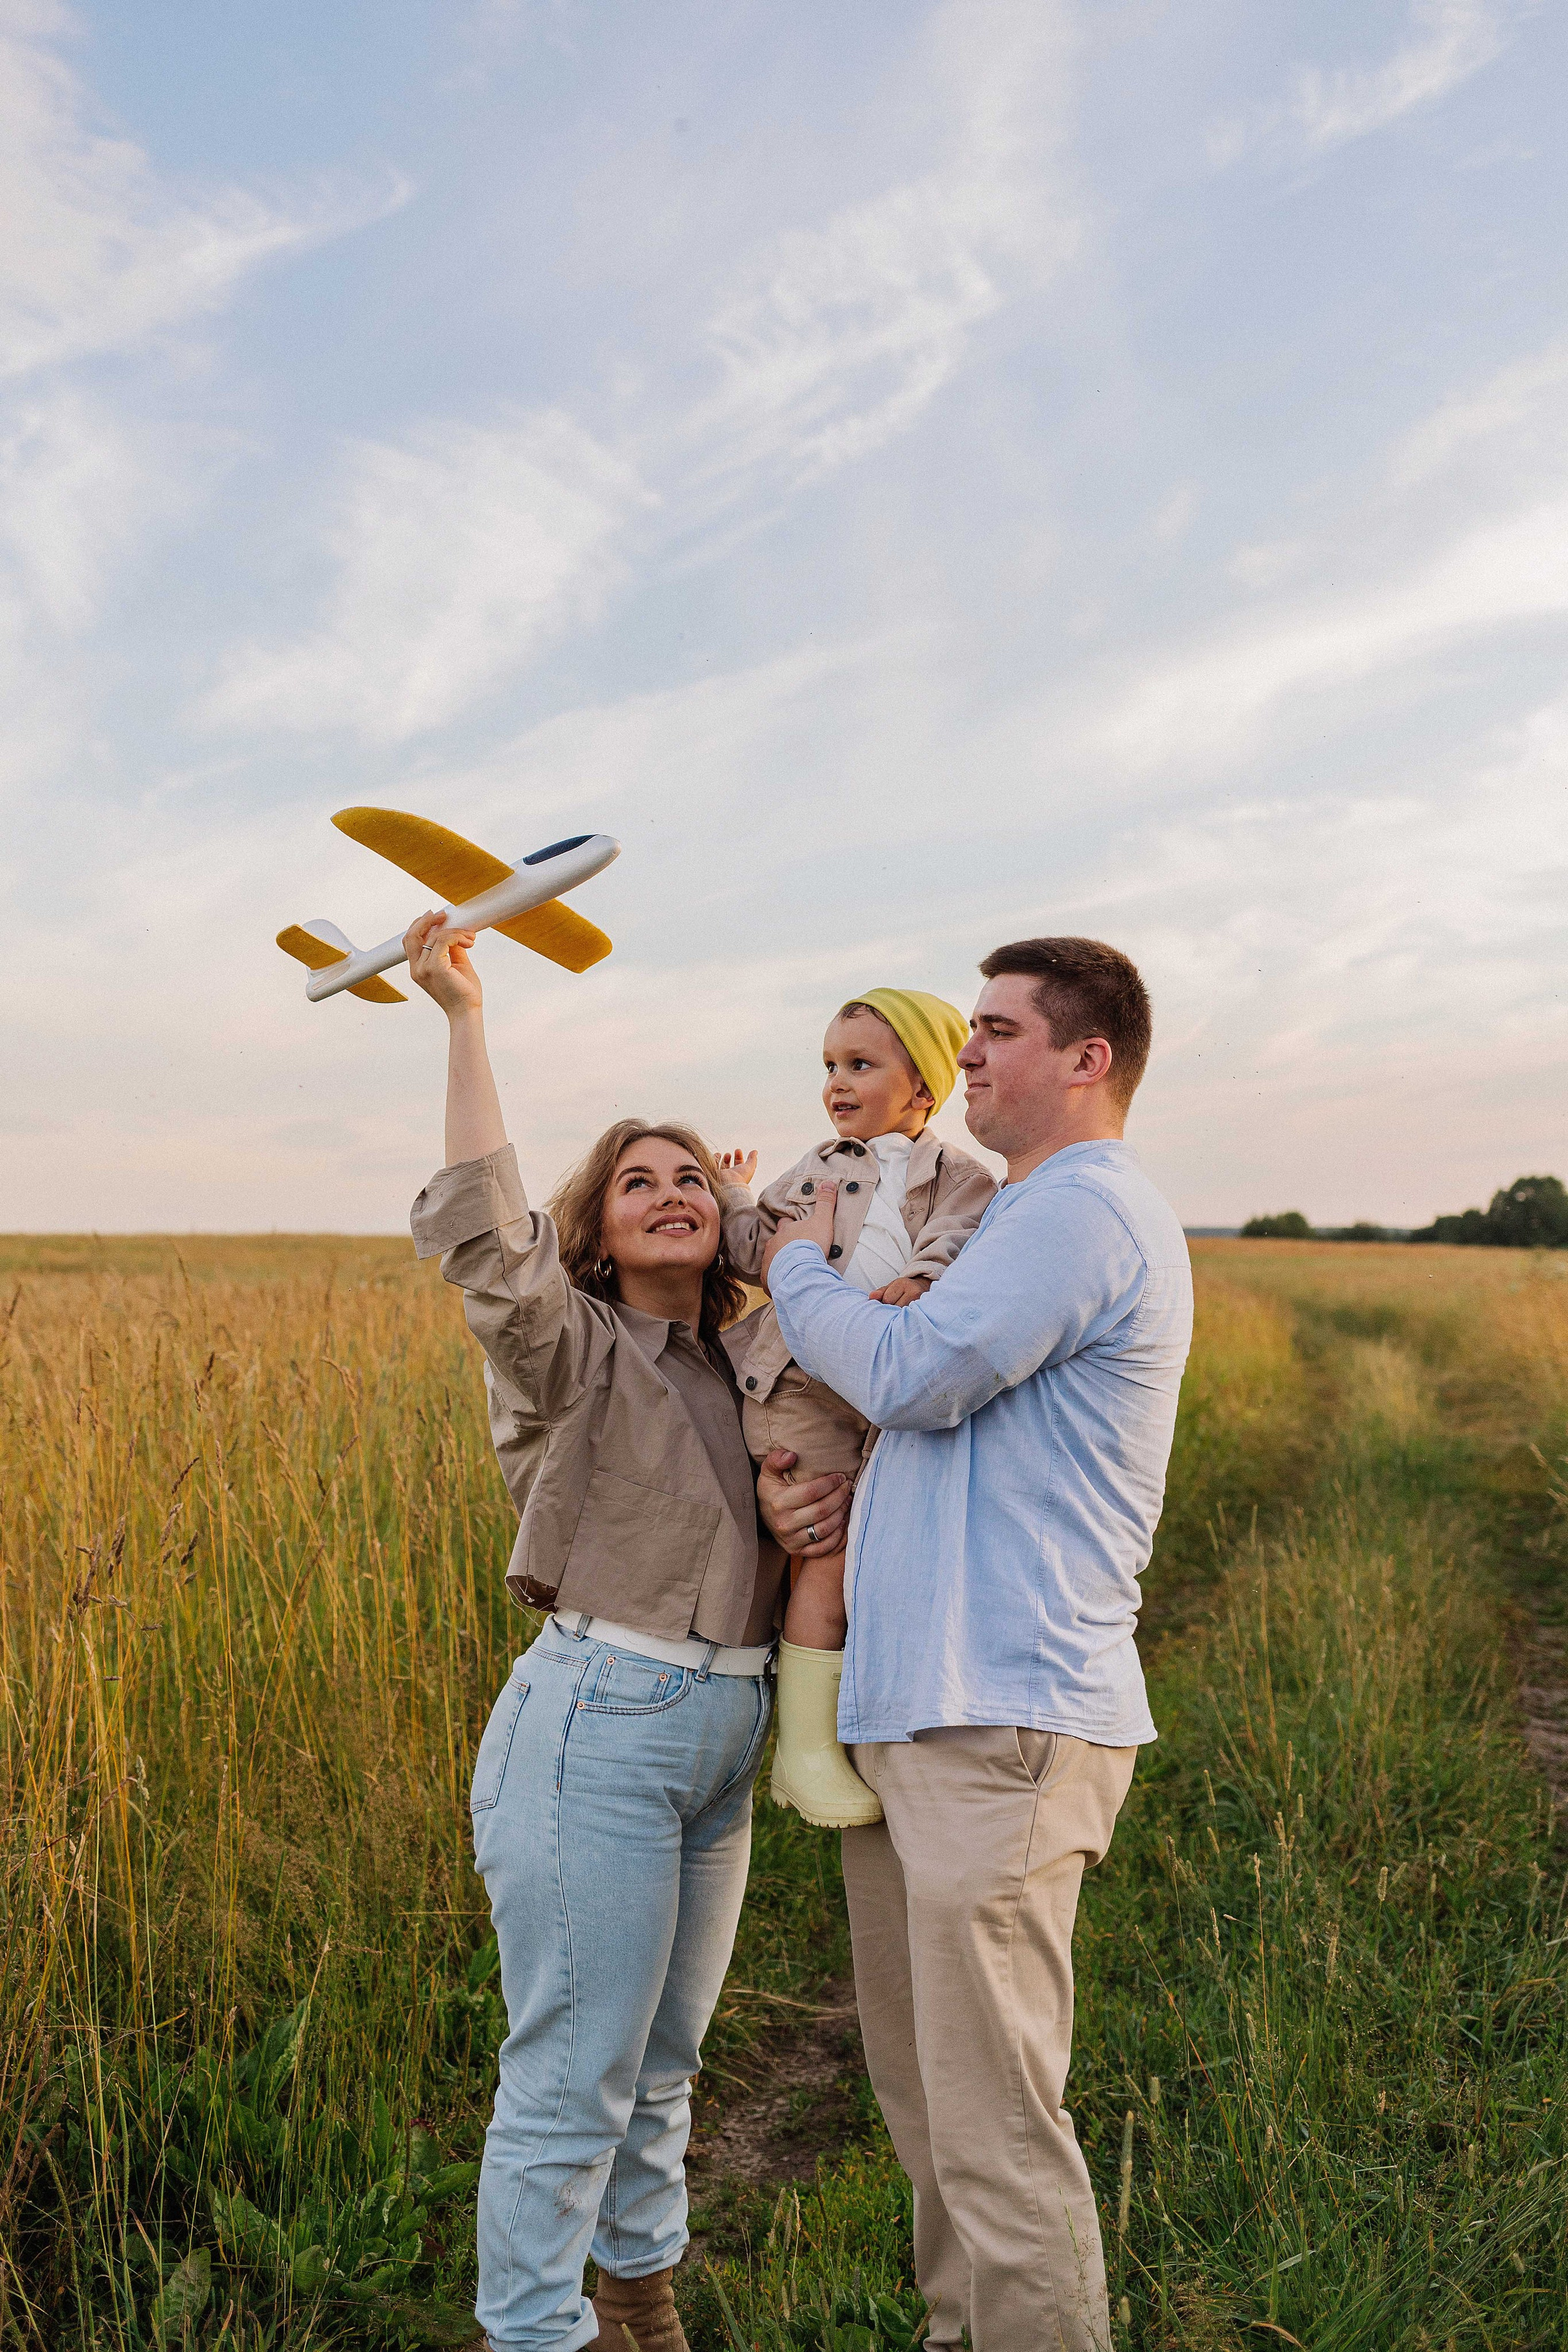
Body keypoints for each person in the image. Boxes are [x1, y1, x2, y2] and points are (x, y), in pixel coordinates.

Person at [402, 910, 848, 2352]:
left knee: (663, 2062)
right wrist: (465, 1017)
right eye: (633, 1184)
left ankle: (641, 2303)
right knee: (573, 2073)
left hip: (720, 1740)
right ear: (592, 1230)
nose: (667, 1192)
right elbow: (485, 1234)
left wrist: (750, 1219)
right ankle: (532, 2334)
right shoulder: (567, 1350)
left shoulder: (753, 1359)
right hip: (596, 1724)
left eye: (688, 1180)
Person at [760, 937, 1194, 2352]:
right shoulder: (1011, 1217)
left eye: (999, 1031)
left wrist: (791, 1269)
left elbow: (917, 1375)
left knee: (996, 2129)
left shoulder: (1086, 1210)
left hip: (1001, 1719)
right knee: (929, 2104)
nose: (971, 1057)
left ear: (1087, 1059)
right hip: (922, 1713)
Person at [717, 990, 993, 1828]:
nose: (837, 1082)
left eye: (861, 1065)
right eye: (830, 1066)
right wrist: (735, 1201)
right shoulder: (820, 1165)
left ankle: (845, 1727)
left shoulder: (964, 1176)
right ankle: (804, 1754)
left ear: (924, 1091)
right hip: (799, 1381)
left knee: (866, 1550)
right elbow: (760, 1247)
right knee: (827, 1558)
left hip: (876, 1394)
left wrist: (931, 1275)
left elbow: (961, 1236)